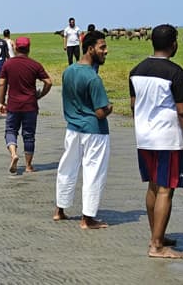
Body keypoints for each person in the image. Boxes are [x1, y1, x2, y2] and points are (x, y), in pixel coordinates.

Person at [129, 24, 183, 260]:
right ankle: (157, 246)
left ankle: (156, 234)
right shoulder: (174, 72)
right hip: (167, 139)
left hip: (144, 138)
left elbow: (133, 105)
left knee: (152, 186)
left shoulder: (136, 70)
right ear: (173, 44)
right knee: (165, 190)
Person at [54, 31, 113, 230]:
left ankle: (60, 209)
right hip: (94, 131)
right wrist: (109, 108)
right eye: (102, 47)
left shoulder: (68, 71)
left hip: (72, 129)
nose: (106, 51)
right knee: (93, 172)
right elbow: (100, 112)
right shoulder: (94, 79)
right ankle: (87, 218)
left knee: (67, 169)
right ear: (90, 49)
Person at [0, 36, 52, 175]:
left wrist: (1, 102)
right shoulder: (35, 65)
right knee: (29, 135)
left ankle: (14, 154)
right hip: (30, 105)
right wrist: (40, 94)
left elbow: (2, 83)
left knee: (10, 131)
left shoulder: (8, 64)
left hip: (14, 105)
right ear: (29, 49)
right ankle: (28, 166)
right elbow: (48, 82)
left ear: (15, 48)